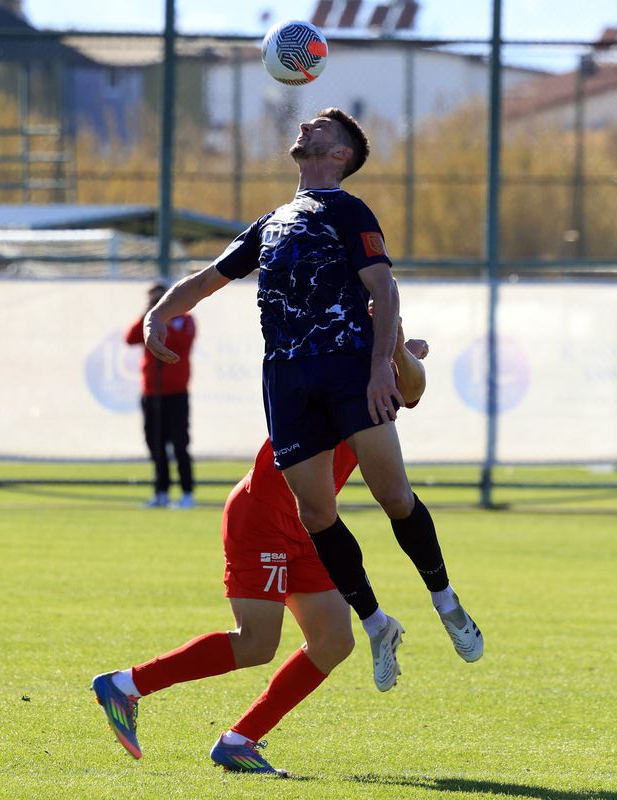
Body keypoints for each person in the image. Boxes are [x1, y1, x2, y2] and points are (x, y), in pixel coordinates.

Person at [141, 108, 482, 692]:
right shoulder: (271, 222)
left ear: (341, 154)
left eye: (323, 127)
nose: (307, 127)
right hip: (287, 380)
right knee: (317, 515)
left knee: (394, 496)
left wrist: (379, 370)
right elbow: (208, 279)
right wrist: (160, 313)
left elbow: (384, 288)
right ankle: (375, 624)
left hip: (347, 369)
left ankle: (446, 601)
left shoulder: (349, 210)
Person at [92, 328, 429, 776]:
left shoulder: (375, 379)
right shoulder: (328, 371)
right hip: (264, 516)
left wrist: (401, 352)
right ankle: (126, 685)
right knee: (255, 642)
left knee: (334, 640)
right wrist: (396, 352)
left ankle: (239, 740)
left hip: (311, 522)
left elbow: (411, 390)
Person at [125, 282, 196, 509]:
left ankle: (187, 493)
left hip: (176, 393)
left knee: (180, 444)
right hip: (152, 392)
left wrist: (162, 318)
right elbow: (131, 337)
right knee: (155, 443)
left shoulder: (185, 319)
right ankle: (161, 491)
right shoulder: (148, 320)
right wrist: (148, 314)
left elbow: (180, 343)